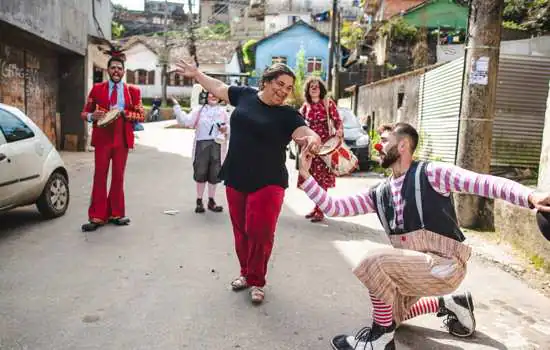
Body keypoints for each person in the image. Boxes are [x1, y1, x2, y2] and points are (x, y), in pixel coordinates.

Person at [298, 122, 550, 349]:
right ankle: (450, 303)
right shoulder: (380, 192)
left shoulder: (432, 173)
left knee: (373, 262)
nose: (378, 146)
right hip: (413, 268)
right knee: (391, 315)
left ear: (403, 145)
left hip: (446, 265)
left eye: (384, 141)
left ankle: (380, 339)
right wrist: (306, 175)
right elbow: (335, 207)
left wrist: (531, 197)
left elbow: (484, 183)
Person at [176, 61, 322, 304]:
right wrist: (197, 74)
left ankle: (257, 280)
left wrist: (313, 140)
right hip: (236, 174)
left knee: (260, 232)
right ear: (266, 81)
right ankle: (246, 273)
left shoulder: (287, 114)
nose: (284, 90)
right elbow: (220, 87)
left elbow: (304, 132)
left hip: (269, 180)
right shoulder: (245, 96)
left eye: (288, 87)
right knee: (241, 230)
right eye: (280, 84)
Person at [80, 51, 145, 232]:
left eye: (119, 68)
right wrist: (93, 115)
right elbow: (84, 113)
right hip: (102, 138)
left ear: (124, 72)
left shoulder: (132, 92)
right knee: (99, 176)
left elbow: (141, 115)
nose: (116, 71)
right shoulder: (97, 89)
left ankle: (116, 213)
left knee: (118, 177)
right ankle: (97, 216)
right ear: (108, 70)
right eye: (113, 67)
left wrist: (124, 113)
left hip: (121, 139)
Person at [171, 91, 229, 213]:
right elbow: (187, 121)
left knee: (215, 174)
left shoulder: (223, 112)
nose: (213, 96)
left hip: (217, 146)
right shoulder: (199, 110)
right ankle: (199, 200)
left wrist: (226, 129)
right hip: (201, 145)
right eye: (210, 94)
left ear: (220, 98)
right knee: (201, 173)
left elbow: (230, 128)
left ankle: (211, 200)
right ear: (206, 96)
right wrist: (177, 106)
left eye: (215, 94)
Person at [297, 77, 343, 222]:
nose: (314, 88)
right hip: (310, 149)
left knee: (322, 179)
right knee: (312, 179)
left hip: (324, 148)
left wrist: (339, 131)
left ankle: (320, 209)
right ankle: (317, 206)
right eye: (311, 86)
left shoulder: (328, 103)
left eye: (316, 86)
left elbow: (338, 121)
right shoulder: (305, 107)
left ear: (321, 89)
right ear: (308, 90)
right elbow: (298, 124)